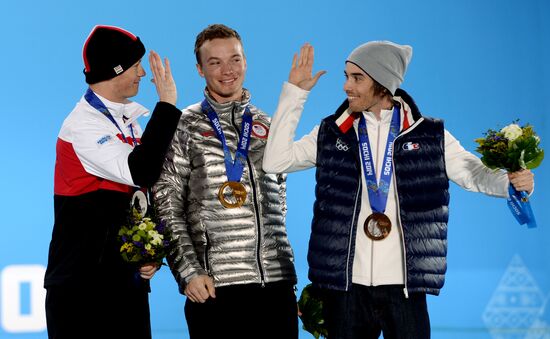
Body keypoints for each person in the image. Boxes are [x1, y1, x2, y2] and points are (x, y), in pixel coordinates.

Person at [263, 41, 535, 338]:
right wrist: (295, 93)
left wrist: (512, 183)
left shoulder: (430, 135)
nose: (346, 86)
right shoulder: (331, 132)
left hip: (404, 288)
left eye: (357, 78)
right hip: (346, 288)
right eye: (346, 76)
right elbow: (276, 160)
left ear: (382, 84)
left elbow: (476, 175)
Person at [152, 24, 298, 339]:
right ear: (200, 69)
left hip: (276, 286)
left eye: (234, 59)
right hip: (215, 289)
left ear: (246, 61)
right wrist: (189, 272)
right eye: (215, 62)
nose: (227, 70)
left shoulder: (267, 125)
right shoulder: (184, 126)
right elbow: (166, 205)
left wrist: (282, 273)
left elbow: (279, 201)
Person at [44, 25, 181, 339]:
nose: (143, 73)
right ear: (114, 69)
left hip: (123, 284)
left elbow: (132, 202)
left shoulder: (126, 121)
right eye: (136, 66)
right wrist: (168, 105)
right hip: (83, 291)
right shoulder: (83, 125)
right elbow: (141, 171)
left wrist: (146, 254)